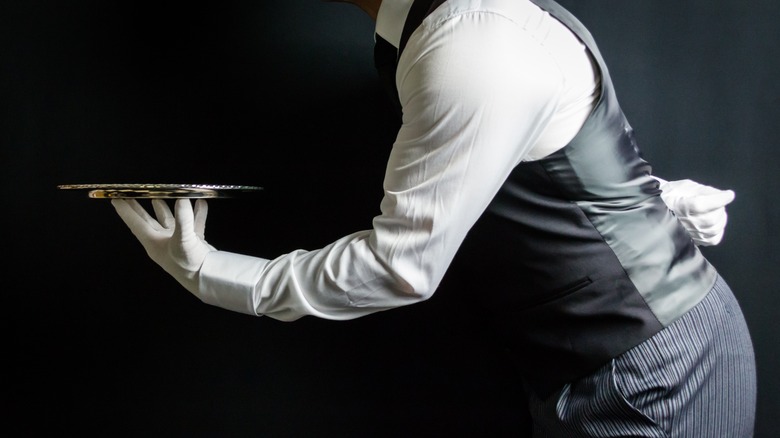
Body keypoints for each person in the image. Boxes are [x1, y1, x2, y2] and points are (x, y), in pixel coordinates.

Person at [111, 0, 756, 435]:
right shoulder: (444, 28)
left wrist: (216, 274)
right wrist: (655, 200)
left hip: (654, 369)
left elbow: (403, 267)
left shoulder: (472, 41)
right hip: (626, 353)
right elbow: (555, 160)